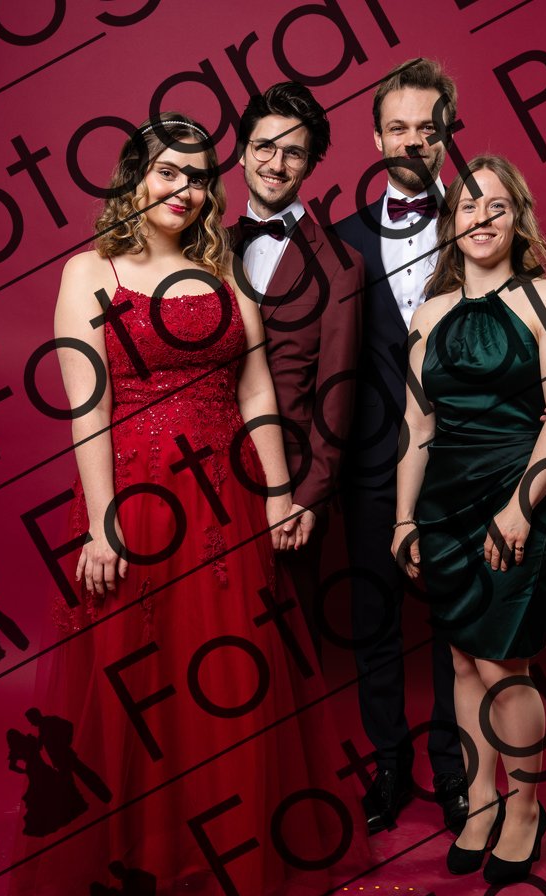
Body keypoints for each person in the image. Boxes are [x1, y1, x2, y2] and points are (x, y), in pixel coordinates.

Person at [9, 112, 366, 896]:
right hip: (137, 499)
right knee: (136, 679)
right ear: (135, 177)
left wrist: (278, 495)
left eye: (199, 176)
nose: (184, 189)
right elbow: (89, 407)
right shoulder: (89, 270)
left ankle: (229, 848)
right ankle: (141, 852)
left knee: (232, 673)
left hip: (227, 504)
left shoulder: (220, 270)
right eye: (169, 171)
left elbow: (255, 389)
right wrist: (101, 524)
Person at [392, 154, 546, 883]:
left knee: (504, 663)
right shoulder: (429, 314)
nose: (479, 218)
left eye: (495, 206)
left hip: (516, 494)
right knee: (460, 660)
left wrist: (518, 509)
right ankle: (479, 803)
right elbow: (416, 425)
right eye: (466, 207)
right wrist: (403, 520)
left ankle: (525, 807)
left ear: (517, 218)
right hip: (443, 503)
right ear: (450, 224)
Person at [334, 59, 468, 834]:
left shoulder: (483, 219)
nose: (412, 141)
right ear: (375, 137)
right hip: (370, 463)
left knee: (456, 623)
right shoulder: (342, 240)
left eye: (427, 127)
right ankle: (389, 763)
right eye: (397, 127)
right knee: (373, 616)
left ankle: (452, 768)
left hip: (463, 460)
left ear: (447, 133)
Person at [229, 82, 363, 649]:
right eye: (264, 146)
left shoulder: (341, 263)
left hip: (290, 474)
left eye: (293, 153)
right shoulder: (204, 249)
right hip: (203, 469)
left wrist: (309, 496)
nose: (276, 164)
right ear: (242, 152)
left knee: (286, 643)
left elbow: (338, 390)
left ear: (309, 165)